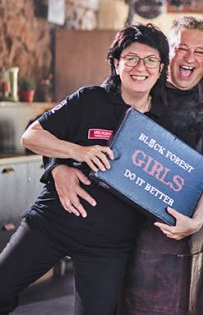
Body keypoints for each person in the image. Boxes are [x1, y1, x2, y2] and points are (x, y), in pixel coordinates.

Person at [48, 17, 203, 314]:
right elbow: (77, 125)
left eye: (199, 52)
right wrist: (58, 165)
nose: (190, 58)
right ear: (167, 56)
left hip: (195, 231)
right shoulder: (138, 82)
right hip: (132, 231)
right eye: (181, 48)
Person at [0, 24, 170, 315]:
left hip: (109, 244)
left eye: (150, 60)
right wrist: (73, 156)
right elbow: (32, 136)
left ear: (160, 68)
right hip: (52, 223)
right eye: (131, 58)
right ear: (117, 64)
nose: (140, 67)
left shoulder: (167, 120)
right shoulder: (90, 99)